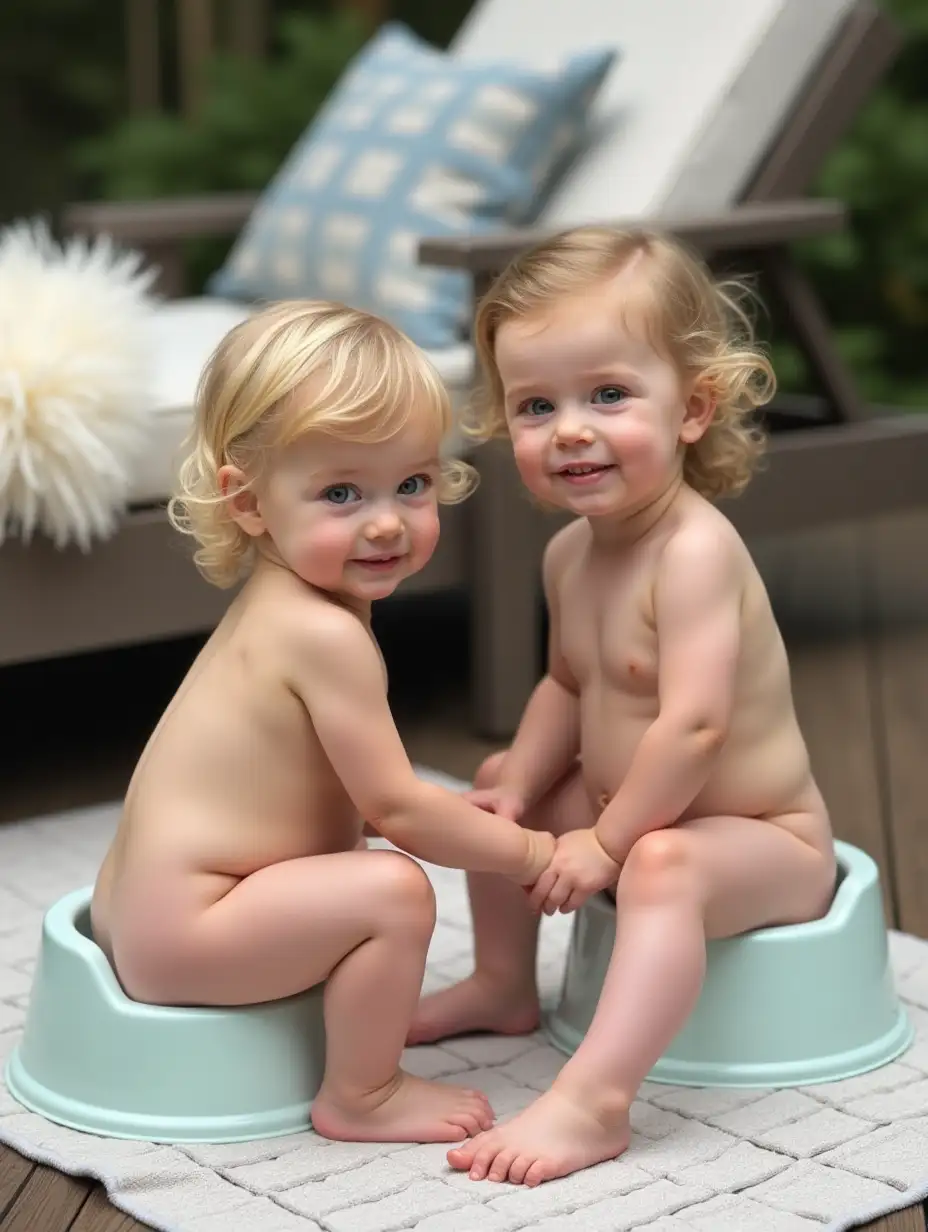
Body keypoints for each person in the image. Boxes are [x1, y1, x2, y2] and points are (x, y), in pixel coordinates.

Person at [408, 227, 838, 1186]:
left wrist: (605, 847)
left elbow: (695, 727)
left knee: (664, 863)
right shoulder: (571, 554)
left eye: (608, 394)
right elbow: (567, 684)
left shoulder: (695, 552)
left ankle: (597, 1102)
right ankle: (504, 983)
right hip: (629, 814)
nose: (570, 428)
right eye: (536, 405)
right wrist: (520, 787)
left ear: (693, 408)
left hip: (759, 836)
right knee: (487, 786)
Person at [90, 300, 556, 1146]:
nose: (386, 520)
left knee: (368, 863)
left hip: (140, 911)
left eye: (411, 484)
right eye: (341, 492)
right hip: (184, 934)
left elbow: (343, 794)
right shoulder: (322, 633)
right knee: (392, 889)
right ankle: (361, 1095)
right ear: (249, 501)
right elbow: (401, 813)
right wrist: (534, 853)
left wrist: (456, 822)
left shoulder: (281, 602)